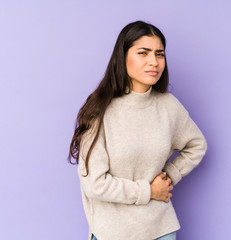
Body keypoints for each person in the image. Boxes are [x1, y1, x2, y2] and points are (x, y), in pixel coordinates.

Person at [68, 20, 207, 240]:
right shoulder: (99, 111)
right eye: (143, 53)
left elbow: (197, 145)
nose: (154, 62)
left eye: (159, 54)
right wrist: (148, 191)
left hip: (161, 229)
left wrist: (169, 176)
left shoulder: (168, 106)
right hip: (112, 233)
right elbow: (95, 185)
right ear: (122, 57)